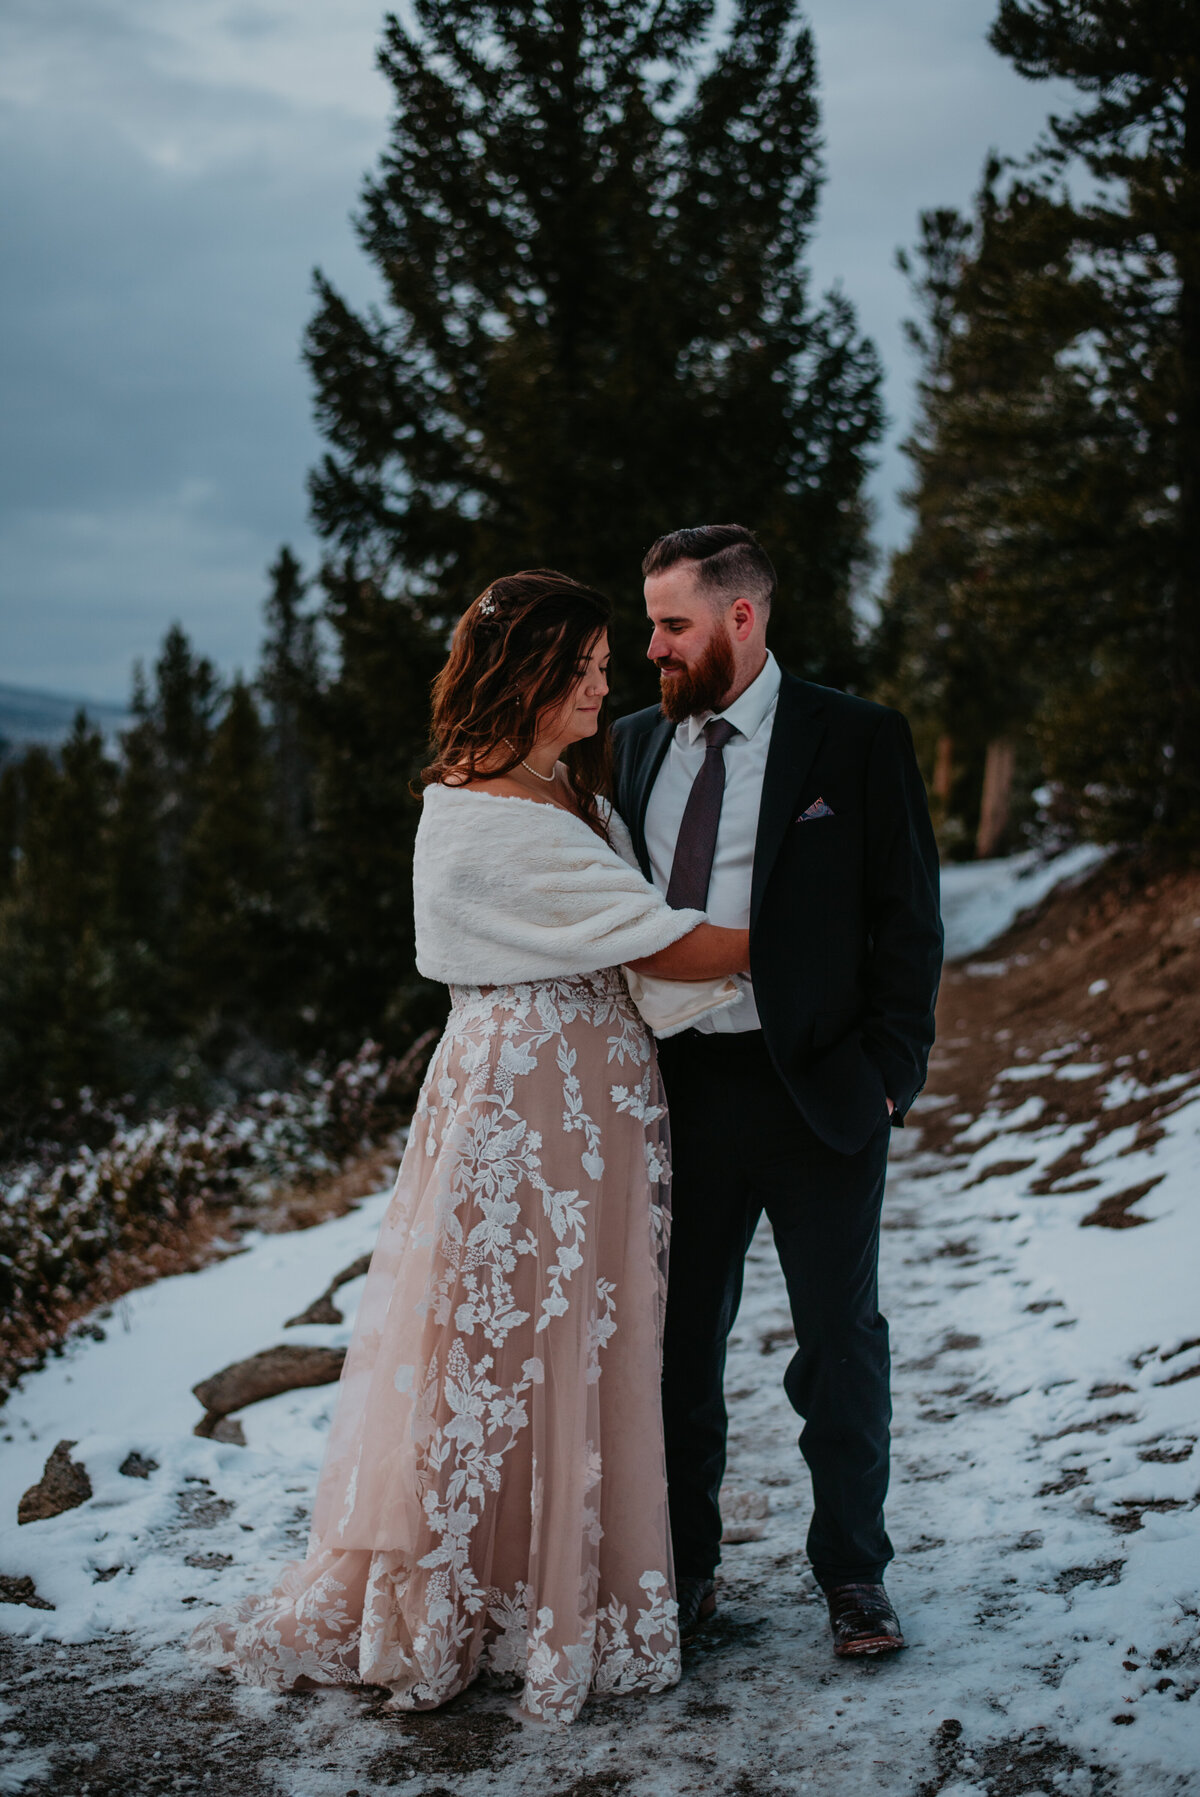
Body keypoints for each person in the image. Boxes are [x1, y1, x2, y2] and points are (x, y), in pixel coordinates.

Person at [190, 569, 749, 1722]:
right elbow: (668, 947)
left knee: (585, 1346)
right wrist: (809, 924)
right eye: (586, 668)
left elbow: (636, 945)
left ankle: (562, 1591)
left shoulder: (573, 796)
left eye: (608, 665)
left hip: (601, 1115)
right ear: (530, 674)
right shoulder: (474, 811)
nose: (607, 684)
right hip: (519, 1110)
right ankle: (467, 1599)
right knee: (493, 1352)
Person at [611, 524, 943, 1658]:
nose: (651, 646)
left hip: (820, 1095)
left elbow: (909, 918)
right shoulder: (629, 751)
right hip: (676, 1095)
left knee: (838, 1350)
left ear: (740, 618)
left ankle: (855, 1578)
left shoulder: (853, 739)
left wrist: (892, 1074)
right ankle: (687, 1574)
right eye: (651, 623)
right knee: (675, 1354)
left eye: (672, 625)